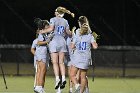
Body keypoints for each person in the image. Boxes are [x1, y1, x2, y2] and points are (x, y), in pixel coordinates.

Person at [39, 6, 75, 92]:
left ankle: (57, 79)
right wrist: (73, 32)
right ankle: (63, 78)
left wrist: (42, 31)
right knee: (61, 62)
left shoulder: (53, 19)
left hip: (54, 42)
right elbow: (68, 33)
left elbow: (51, 29)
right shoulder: (65, 21)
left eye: (55, 11)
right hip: (62, 42)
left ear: (58, 13)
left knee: (55, 62)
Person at [70, 16, 98, 93]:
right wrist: (94, 40)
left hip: (77, 58)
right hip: (86, 59)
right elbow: (95, 47)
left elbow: (72, 46)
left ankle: (77, 86)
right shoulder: (90, 35)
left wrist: (74, 43)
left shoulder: (77, 33)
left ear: (80, 23)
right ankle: (82, 91)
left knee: (72, 75)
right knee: (83, 77)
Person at [33, 18, 51, 93]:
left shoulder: (44, 33)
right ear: (44, 26)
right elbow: (39, 42)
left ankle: (40, 87)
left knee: (42, 71)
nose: (49, 26)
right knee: (41, 71)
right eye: (47, 25)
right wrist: (47, 41)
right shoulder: (41, 33)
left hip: (44, 54)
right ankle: (39, 87)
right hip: (41, 54)